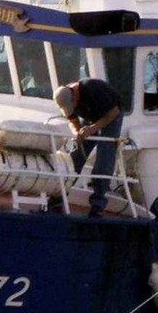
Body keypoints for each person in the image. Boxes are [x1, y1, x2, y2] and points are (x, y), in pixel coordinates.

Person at [54, 77, 123, 216]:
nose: (72, 108)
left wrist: (93, 128)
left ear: (74, 94)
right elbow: (72, 120)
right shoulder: (67, 99)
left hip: (110, 114)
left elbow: (114, 111)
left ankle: (98, 204)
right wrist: (78, 132)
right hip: (91, 115)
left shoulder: (92, 89)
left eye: (73, 104)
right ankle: (58, 196)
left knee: (105, 154)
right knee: (77, 153)